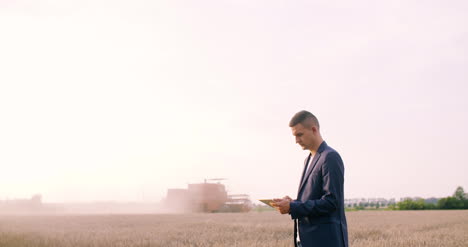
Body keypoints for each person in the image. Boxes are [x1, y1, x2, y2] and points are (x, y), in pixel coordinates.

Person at [272, 110, 348, 247]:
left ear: (314, 129)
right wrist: (293, 202)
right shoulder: (308, 160)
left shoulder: (330, 157)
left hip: (326, 241)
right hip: (307, 241)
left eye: (299, 135)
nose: (296, 141)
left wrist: (293, 207)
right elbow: (314, 199)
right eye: (294, 136)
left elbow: (331, 202)